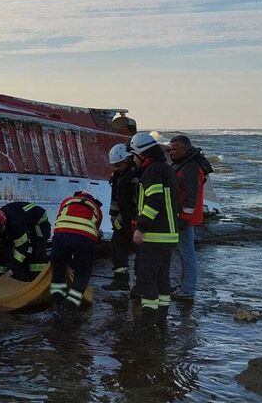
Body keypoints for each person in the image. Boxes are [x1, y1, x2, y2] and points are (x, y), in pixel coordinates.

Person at [128, 132, 179, 336]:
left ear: (140, 153)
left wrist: (141, 227)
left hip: (155, 235)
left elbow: (154, 202)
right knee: (162, 278)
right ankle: (161, 320)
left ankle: (148, 324)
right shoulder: (165, 169)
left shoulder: (152, 171)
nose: (133, 159)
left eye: (133, 155)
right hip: (168, 235)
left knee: (146, 278)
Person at [167, 134, 213, 301]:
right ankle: (185, 286)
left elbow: (191, 196)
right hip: (184, 216)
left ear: (185, 149)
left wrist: (184, 219)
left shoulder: (190, 168)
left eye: (175, 149)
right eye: (170, 149)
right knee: (184, 251)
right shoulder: (185, 164)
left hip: (186, 218)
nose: (171, 153)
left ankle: (187, 290)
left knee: (187, 252)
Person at [50, 190, 103, 319]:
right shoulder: (96, 208)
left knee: (58, 268)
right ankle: (70, 306)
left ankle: (56, 304)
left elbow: (60, 218)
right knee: (82, 273)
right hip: (85, 238)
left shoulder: (67, 201)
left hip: (61, 234)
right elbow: (95, 231)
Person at [0, 202, 51, 281]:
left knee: (38, 248)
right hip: (17, 219)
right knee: (1, 250)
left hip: (38, 220)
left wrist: (11, 272)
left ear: (2, 224)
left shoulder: (16, 225)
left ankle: (38, 277)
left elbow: (21, 249)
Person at [103, 143, 140, 291]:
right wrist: (114, 216)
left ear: (128, 160)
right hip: (122, 219)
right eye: (114, 166)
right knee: (117, 246)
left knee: (140, 252)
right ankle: (121, 281)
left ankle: (139, 285)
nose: (115, 168)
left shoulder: (137, 175)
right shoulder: (117, 176)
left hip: (135, 219)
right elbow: (115, 199)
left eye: (118, 165)